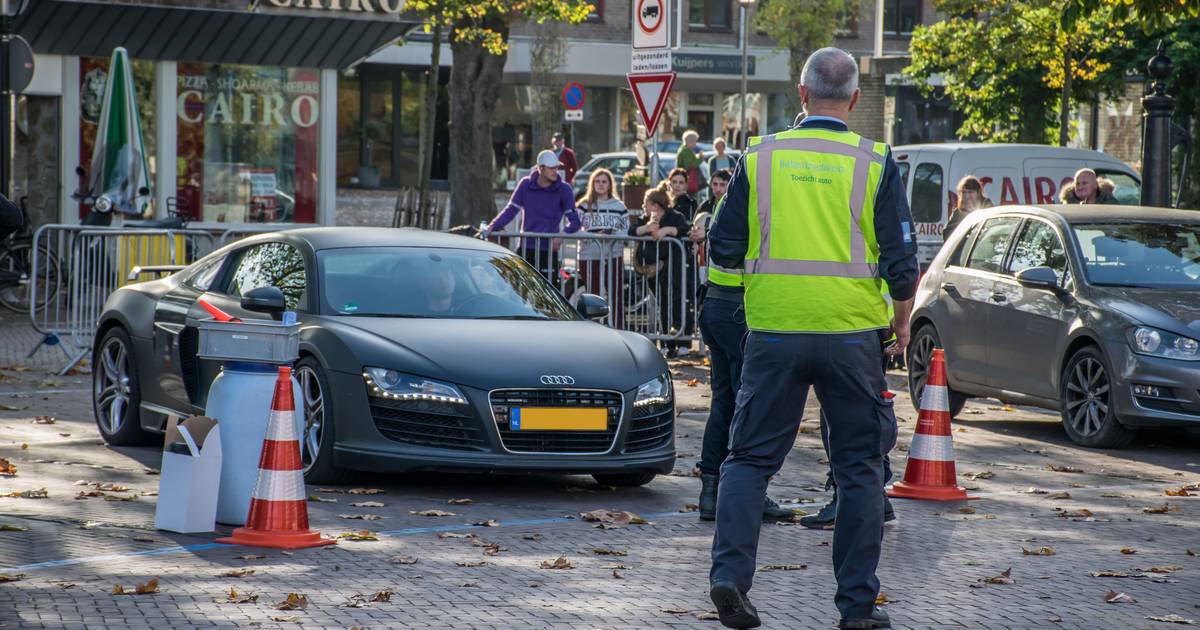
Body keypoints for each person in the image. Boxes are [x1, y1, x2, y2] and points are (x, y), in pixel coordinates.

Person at [706, 47, 919, 630]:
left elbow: (722, 246)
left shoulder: (761, 157)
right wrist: (901, 323)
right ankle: (857, 608)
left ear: (801, 95)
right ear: (853, 100)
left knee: (748, 460)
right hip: (852, 337)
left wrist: (736, 302)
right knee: (858, 468)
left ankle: (730, 577)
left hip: (773, 332)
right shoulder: (875, 160)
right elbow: (902, 263)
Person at [686, 171, 795, 524]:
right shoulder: (761, 205)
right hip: (740, 309)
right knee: (750, 403)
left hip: (716, 306)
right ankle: (748, 493)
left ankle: (710, 493)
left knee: (724, 400)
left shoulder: (726, 202)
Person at [486, 149, 581, 280]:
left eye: (557, 167)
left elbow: (575, 222)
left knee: (547, 294)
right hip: (525, 248)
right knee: (520, 292)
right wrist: (493, 226)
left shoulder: (564, 189)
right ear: (541, 168)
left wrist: (561, 235)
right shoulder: (525, 184)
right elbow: (510, 210)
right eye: (551, 168)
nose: (556, 171)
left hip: (548, 251)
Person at [629, 182, 694, 358]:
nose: (643, 206)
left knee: (677, 300)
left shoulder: (674, 216)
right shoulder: (645, 219)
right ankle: (667, 343)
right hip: (652, 269)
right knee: (662, 303)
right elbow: (631, 231)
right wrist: (646, 228)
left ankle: (682, 341)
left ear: (656, 206)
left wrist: (668, 230)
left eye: (646, 203)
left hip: (674, 267)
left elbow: (686, 229)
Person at [576, 168, 629, 328]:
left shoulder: (619, 206)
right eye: (597, 181)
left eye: (604, 181)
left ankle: (617, 327)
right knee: (593, 295)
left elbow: (627, 230)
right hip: (589, 256)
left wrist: (612, 236)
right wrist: (594, 236)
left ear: (610, 184)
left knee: (616, 294)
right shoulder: (584, 205)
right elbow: (574, 229)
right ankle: (594, 328)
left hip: (614, 256)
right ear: (592, 184)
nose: (600, 184)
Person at [943, 176, 993, 243]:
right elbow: (947, 234)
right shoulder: (958, 212)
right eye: (964, 192)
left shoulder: (986, 207)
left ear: (978, 193)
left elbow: (991, 232)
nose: (966, 196)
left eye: (970, 192)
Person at [676, 130, 705, 196]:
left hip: (684, 178)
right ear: (688, 141)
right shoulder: (686, 151)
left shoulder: (683, 149)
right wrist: (700, 159)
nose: (695, 143)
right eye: (694, 141)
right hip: (688, 180)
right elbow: (689, 166)